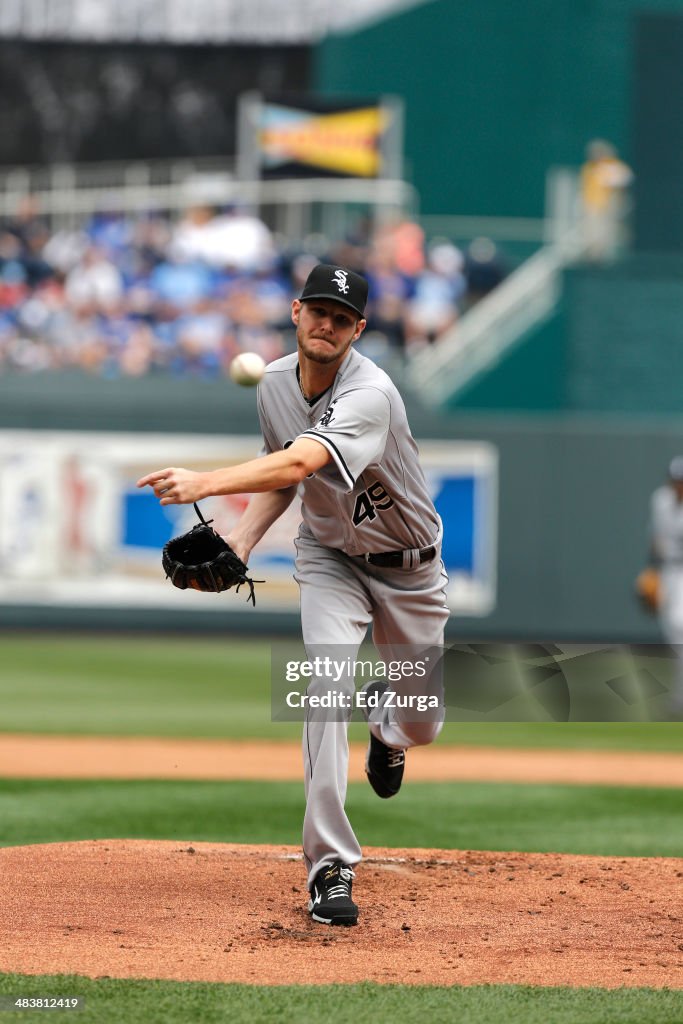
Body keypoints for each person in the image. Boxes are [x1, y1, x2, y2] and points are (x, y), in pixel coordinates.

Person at [137, 264, 450, 925]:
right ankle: (328, 867)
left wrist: (205, 484)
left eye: (341, 317)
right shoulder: (275, 382)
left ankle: (387, 726)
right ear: (295, 310)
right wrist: (243, 543)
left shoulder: (371, 392)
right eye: (318, 309)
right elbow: (283, 479)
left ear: (357, 330)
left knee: (423, 720)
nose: (326, 324)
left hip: (409, 569)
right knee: (322, 686)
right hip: (330, 557)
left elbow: (300, 462)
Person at [647, 457, 683, 716]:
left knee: (680, 625)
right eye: (675, 481)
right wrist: (652, 571)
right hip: (670, 571)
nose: (678, 486)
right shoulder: (660, 500)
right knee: (673, 632)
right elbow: (656, 540)